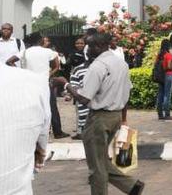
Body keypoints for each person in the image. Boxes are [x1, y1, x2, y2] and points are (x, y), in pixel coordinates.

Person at [54, 32, 145, 195]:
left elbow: (83, 98)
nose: (86, 50)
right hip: (115, 116)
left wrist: (65, 84)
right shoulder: (121, 64)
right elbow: (127, 93)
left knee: (96, 166)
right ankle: (131, 186)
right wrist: (123, 119)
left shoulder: (97, 66)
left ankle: (123, 187)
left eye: (89, 46)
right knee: (100, 159)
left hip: (99, 118)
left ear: (99, 46)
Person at [0, 34, 52, 194]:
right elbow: (40, 150)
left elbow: (10, 60)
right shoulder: (37, 80)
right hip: (31, 86)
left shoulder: (25, 51)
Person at [8, 32, 69, 139]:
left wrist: (21, 72)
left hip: (30, 84)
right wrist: (48, 74)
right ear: (40, 40)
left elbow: (9, 61)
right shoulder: (48, 51)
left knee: (31, 108)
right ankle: (57, 132)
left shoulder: (25, 52)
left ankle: (31, 132)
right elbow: (56, 66)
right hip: (44, 83)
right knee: (51, 107)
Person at [68, 54, 92, 140]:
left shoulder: (107, 67)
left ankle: (81, 132)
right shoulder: (78, 69)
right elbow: (75, 88)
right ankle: (80, 132)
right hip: (83, 104)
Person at [154, 39, 172, 120]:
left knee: (160, 95)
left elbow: (155, 65)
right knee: (167, 95)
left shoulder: (159, 55)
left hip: (160, 77)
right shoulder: (168, 55)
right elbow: (169, 66)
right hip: (168, 75)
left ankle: (160, 114)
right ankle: (167, 114)